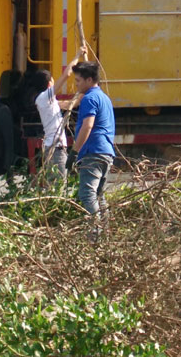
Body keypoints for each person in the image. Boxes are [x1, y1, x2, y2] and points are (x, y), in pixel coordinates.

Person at [32, 46, 88, 181]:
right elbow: (67, 74)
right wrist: (78, 55)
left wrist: (84, 91)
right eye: (52, 80)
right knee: (59, 186)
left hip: (55, 148)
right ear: (49, 82)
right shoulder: (45, 97)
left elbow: (70, 104)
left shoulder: (49, 102)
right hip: (55, 149)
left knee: (56, 186)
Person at [72, 60, 115, 237]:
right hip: (106, 152)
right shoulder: (104, 97)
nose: (76, 85)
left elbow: (87, 126)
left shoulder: (89, 98)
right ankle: (106, 233)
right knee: (99, 195)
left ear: (89, 80)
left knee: (87, 194)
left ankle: (96, 233)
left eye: (78, 81)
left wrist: (74, 151)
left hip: (93, 151)